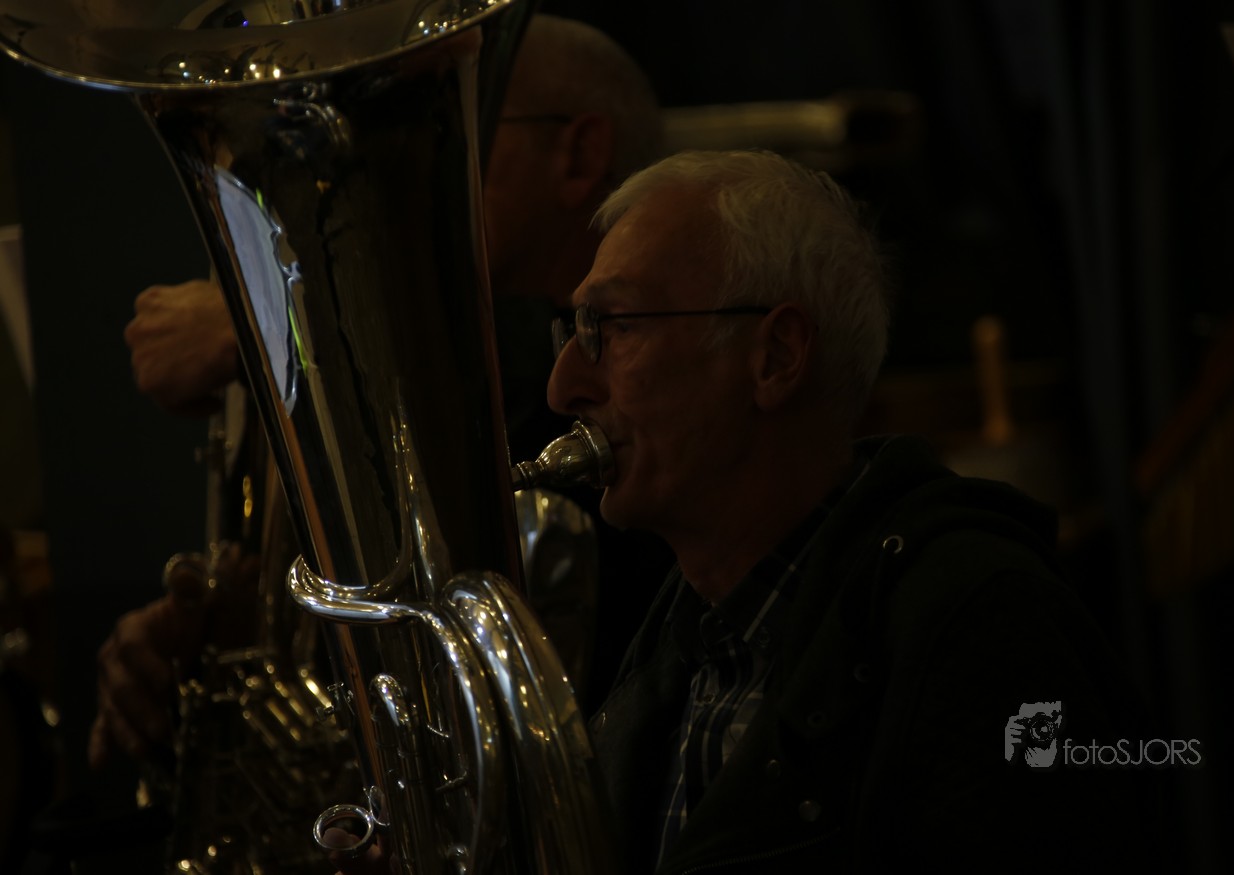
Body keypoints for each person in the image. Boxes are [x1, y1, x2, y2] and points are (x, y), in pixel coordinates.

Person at [539, 148, 1158, 872]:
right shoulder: (680, 639)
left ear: (775, 356)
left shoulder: (982, 628)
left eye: (612, 327)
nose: (562, 386)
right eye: (575, 330)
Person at [92, 12, 670, 769]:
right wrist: (238, 637)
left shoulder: (625, 386)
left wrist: (267, 317)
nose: (395, 171)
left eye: (453, 127)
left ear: (578, 154)